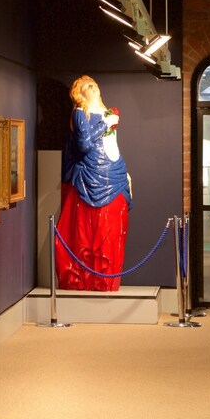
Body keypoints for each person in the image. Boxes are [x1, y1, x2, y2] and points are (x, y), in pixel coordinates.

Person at [55, 75, 133, 291]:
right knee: (87, 230)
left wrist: (125, 173)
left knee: (111, 229)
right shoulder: (81, 113)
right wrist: (105, 124)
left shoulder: (106, 113)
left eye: (95, 84)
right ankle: (86, 279)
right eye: (88, 86)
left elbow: (112, 146)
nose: (94, 88)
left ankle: (105, 280)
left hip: (114, 172)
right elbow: (84, 145)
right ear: (81, 93)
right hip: (91, 176)